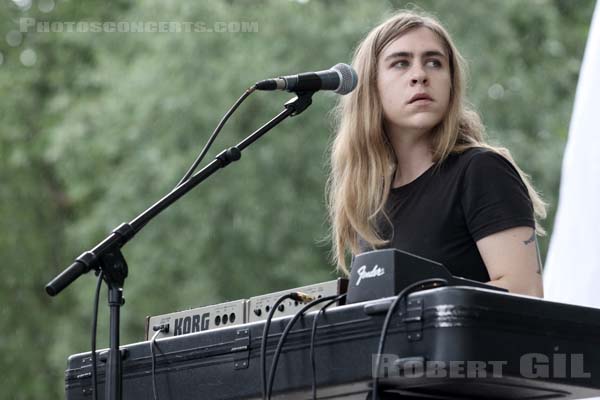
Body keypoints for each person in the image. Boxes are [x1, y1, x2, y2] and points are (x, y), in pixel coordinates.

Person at [327, 10, 546, 297]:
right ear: (370, 87)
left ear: (451, 83)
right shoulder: (370, 201)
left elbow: (524, 291)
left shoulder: (481, 170)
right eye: (401, 64)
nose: (420, 75)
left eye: (434, 63)